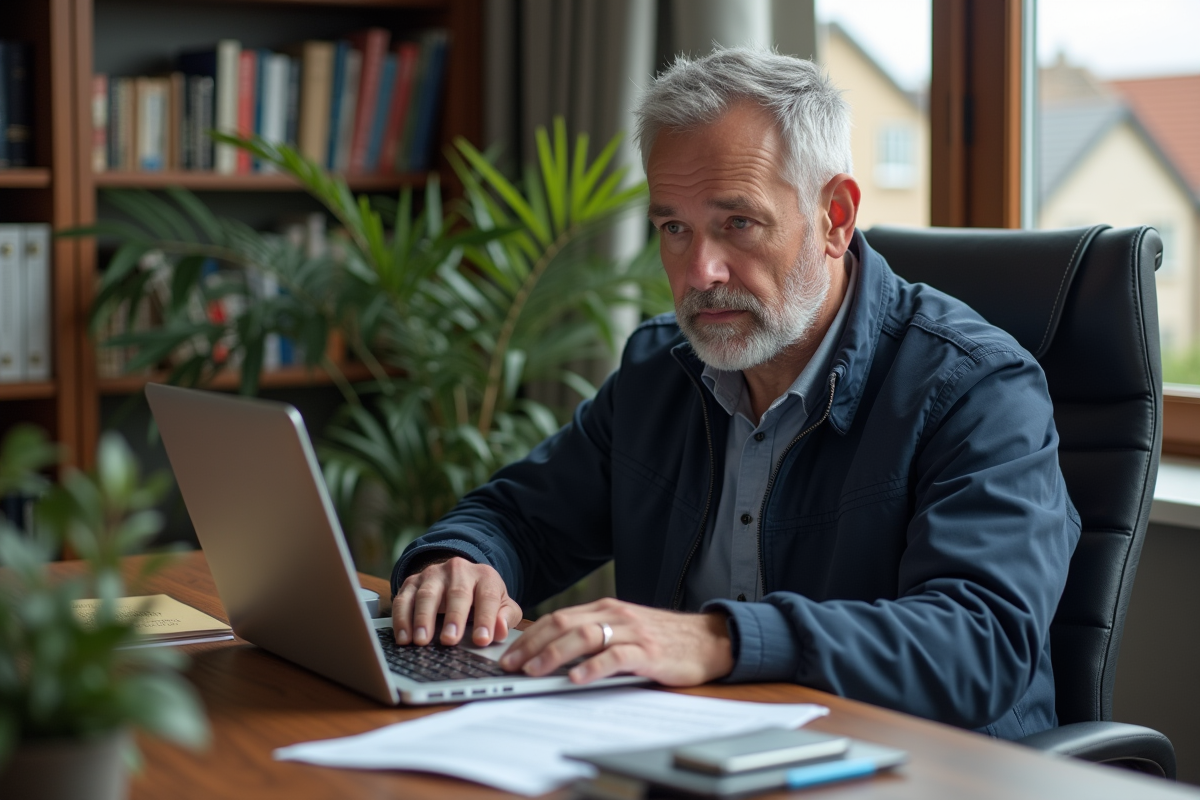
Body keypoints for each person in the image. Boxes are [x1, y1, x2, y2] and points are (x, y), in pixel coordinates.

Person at [388, 47, 1080, 740]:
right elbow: (521, 518)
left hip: (914, 770)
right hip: (687, 754)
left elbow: (980, 645)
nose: (699, 271)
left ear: (835, 217)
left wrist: (719, 641)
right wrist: (458, 562)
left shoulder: (978, 387)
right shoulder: (662, 369)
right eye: (674, 228)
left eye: (737, 223)